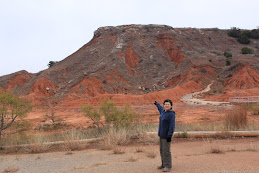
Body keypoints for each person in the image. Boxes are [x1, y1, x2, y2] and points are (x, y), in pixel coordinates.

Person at [154, 99, 175, 172]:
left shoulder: (171, 114)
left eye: (168, 104)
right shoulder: (163, 111)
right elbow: (160, 108)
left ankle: (168, 166)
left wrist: (169, 136)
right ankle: (163, 164)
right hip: (161, 135)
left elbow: (172, 126)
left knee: (166, 151)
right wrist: (157, 104)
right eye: (165, 104)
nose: (166, 105)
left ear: (171, 106)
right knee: (162, 150)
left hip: (166, 136)